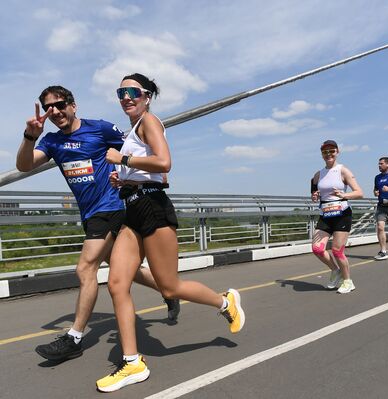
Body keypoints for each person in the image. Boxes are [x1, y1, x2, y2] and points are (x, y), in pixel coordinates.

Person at [95, 73, 244, 392]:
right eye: (121, 92)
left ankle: (224, 302)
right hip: (133, 208)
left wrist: (122, 159)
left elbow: (164, 163)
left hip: (153, 209)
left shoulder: (150, 120)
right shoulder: (133, 131)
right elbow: (147, 171)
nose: (126, 97)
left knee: (170, 286)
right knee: (117, 282)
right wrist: (125, 180)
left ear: (147, 96)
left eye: (132, 91)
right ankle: (132, 362)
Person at [15, 86, 179, 363]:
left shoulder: (100, 129)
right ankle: (169, 291)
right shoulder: (52, 141)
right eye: (48, 108)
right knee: (120, 268)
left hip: (111, 206)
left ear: (74, 105)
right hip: (90, 213)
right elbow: (24, 165)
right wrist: (30, 136)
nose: (54, 111)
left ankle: (74, 338)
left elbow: (137, 148)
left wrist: (152, 178)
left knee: (86, 266)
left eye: (60, 104)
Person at [310, 140, 363, 294]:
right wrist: (314, 195)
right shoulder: (318, 174)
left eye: (332, 151)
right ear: (322, 155)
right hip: (326, 215)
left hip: (342, 214)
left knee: (337, 251)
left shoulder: (343, 171)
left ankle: (348, 281)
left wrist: (344, 194)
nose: (329, 154)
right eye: (325, 152)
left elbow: (359, 193)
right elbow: (314, 194)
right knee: (317, 249)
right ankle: (335, 270)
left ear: (337, 152)